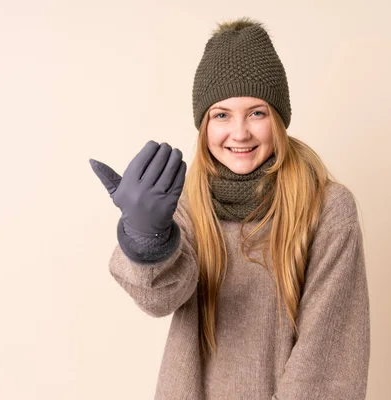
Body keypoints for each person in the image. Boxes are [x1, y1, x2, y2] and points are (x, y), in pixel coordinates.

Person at [90, 16, 370, 400]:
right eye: (221, 115)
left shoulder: (326, 209)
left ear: (279, 119)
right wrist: (147, 238)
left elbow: (328, 363)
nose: (240, 132)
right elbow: (161, 300)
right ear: (204, 124)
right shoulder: (190, 203)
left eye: (257, 112)